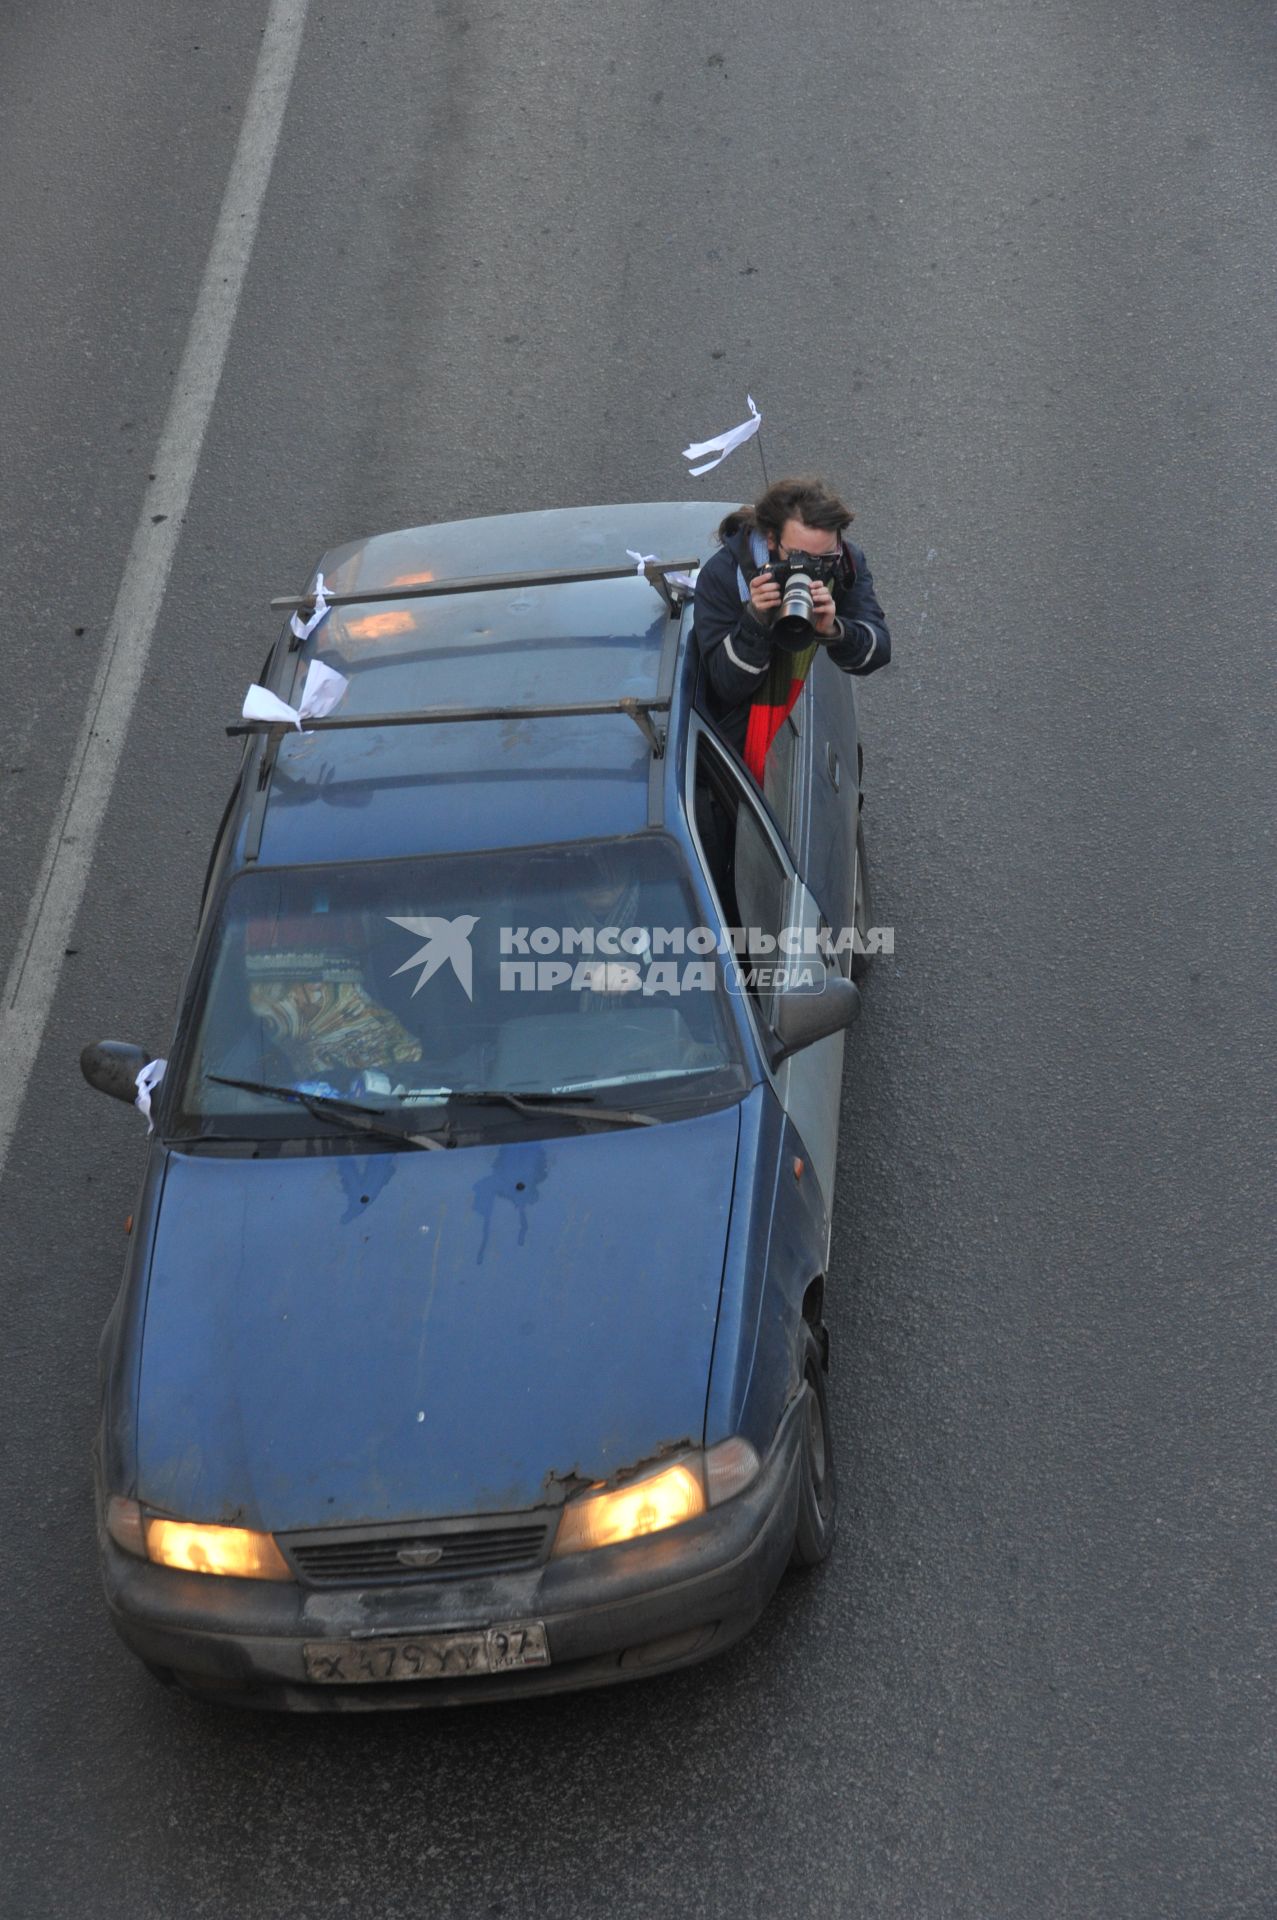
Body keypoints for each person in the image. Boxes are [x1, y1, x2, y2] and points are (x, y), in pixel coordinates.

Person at [693, 475, 890, 783]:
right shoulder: (722, 577)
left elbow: (878, 650)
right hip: (744, 733)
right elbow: (726, 686)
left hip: (799, 708)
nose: (813, 570)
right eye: (799, 558)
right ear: (771, 540)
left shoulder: (846, 563)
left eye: (825, 557)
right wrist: (755, 620)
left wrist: (835, 630)